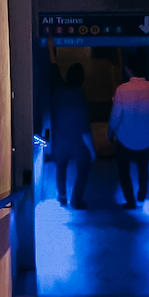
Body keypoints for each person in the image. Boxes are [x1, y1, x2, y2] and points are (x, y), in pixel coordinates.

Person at [108, 51, 149, 209]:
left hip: (124, 140)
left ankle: (130, 202)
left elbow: (115, 117)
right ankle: (141, 196)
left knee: (124, 173)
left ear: (128, 69)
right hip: (145, 139)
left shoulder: (122, 90)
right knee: (143, 169)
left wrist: (110, 131)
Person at [51, 63, 95, 209]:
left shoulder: (58, 94)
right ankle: (76, 199)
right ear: (81, 80)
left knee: (60, 168)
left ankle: (62, 197)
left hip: (60, 142)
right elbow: (85, 131)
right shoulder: (81, 99)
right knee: (84, 167)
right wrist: (92, 151)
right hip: (78, 144)